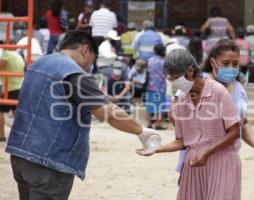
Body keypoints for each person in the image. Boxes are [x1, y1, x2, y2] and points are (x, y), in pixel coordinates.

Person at [5, 31, 160, 199]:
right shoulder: (72, 72)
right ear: (85, 50)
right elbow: (109, 113)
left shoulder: (37, 64)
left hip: (20, 153)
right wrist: (142, 132)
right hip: (48, 161)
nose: (88, 68)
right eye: (90, 62)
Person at [137, 49, 242, 200]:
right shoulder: (182, 102)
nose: (174, 82)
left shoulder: (218, 91)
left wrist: (207, 152)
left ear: (190, 71)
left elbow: (234, 132)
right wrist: (155, 149)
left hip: (222, 162)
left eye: (175, 78)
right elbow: (182, 141)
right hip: (195, 164)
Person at [0, 49, 25, 142]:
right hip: (19, 87)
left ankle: (1, 135)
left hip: (9, 88)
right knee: (16, 112)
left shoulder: (6, 54)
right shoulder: (18, 56)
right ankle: (21, 136)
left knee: (0, 111)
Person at [145, 44, 167, 130]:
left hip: (150, 85)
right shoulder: (163, 61)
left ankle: (149, 123)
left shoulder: (149, 60)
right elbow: (166, 73)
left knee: (150, 104)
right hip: (161, 86)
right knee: (160, 105)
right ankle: (158, 124)